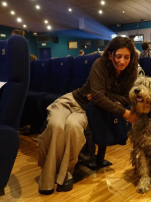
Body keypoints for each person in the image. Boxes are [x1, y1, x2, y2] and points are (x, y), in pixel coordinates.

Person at [37, 37, 138, 195]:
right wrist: (124, 112)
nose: (122, 61)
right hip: (72, 101)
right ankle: (48, 175)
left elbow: (126, 98)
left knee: (73, 127)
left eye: (127, 57)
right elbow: (98, 97)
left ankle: (66, 172)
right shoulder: (99, 64)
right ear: (110, 54)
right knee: (55, 125)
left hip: (87, 110)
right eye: (118, 56)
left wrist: (105, 95)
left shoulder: (132, 72)